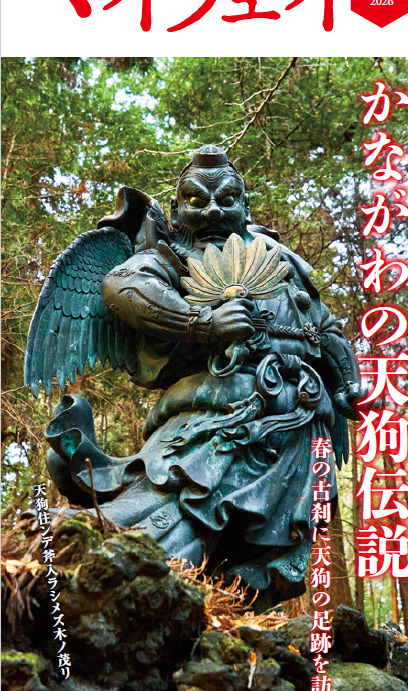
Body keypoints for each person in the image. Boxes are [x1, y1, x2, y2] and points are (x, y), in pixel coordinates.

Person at [31, 145, 364, 604]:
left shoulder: (280, 262)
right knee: (185, 509)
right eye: (195, 200)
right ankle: (113, 583)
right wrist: (202, 323)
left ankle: (217, 609)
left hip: (301, 421)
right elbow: (122, 285)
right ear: (176, 210)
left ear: (245, 207)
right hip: (221, 414)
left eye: (226, 200)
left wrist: (347, 381)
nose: (211, 211)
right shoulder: (170, 255)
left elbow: (324, 326)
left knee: (267, 556)